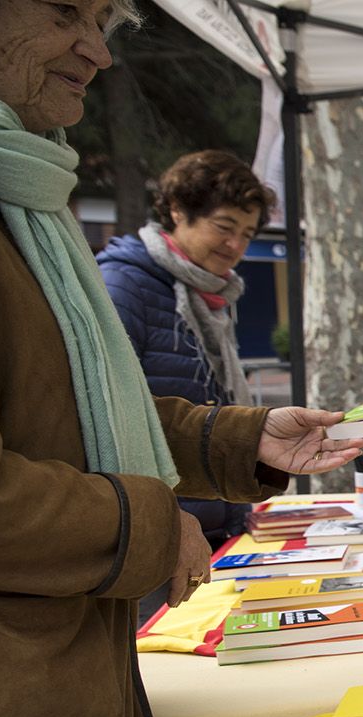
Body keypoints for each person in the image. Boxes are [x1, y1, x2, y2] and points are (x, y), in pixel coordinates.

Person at [0, 3, 363, 717]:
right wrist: (154, 519)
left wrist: (241, 439)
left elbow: (80, 407)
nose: (99, 48)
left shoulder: (27, 200)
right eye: (68, 9)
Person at [97, 149, 273, 618]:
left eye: (247, 233)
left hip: (209, 528)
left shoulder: (208, 296)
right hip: (155, 539)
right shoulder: (124, 286)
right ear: (178, 211)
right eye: (223, 225)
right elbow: (105, 414)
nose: (235, 244)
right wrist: (163, 522)